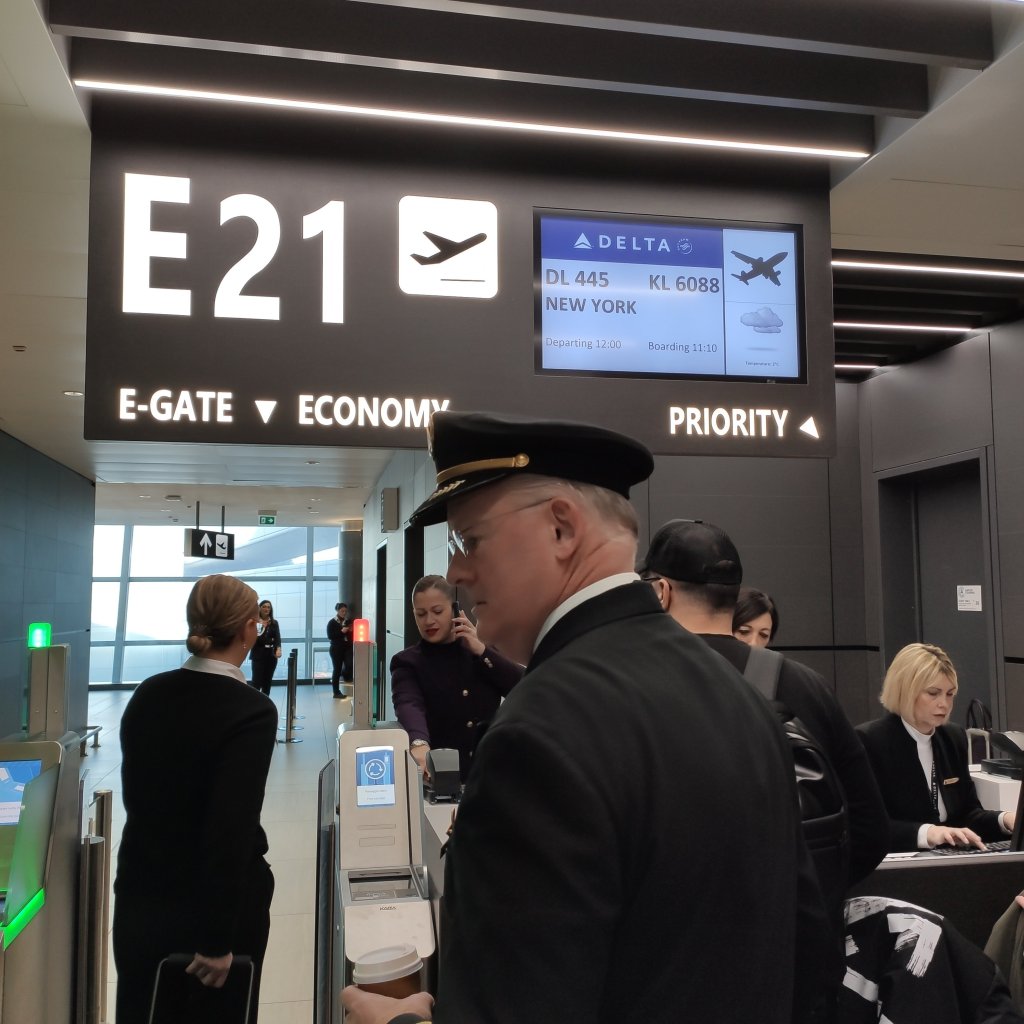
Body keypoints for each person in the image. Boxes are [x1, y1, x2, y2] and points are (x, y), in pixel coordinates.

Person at [342, 411, 805, 1024]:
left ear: (561, 528)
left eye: (469, 541)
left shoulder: (537, 735)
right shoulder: (738, 694)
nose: (456, 573)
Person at [638, 519, 890, 1021]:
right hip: (798, 970)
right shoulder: (807, 687)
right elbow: (870, 831)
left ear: (660, 591)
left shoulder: (632, 684)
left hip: (674, 976)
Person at [113, 574, 277, 1024]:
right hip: (209, 914)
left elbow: (140, 800)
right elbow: (230, 827)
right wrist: (217, 938)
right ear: (248, 629)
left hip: (141, 899)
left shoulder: (148, 693)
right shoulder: (251, 710)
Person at [857, 642, 1015, 852]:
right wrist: (928, 833)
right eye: (933, 693)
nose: (944, 704)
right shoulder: (870, 741)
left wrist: (1006, 820)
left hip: (949, 858)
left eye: (950, 694)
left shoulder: (953, 738)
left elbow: (968, 816)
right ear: (905, 691)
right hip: (900, 862)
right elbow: (865, 827)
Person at [391, 575, 522, 778]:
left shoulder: (483, 653)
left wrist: (482, 650)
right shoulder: (408, 662)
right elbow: (408, 703)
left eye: (437, 611)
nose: (429, 621)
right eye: (421, 614)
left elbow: (524, 687)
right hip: (440, 774)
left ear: (455, 609)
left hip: (489, 771)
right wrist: (419, 742)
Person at [250, 599, 282, 696]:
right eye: (264, 607)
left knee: (267, 682)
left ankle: (265, 702)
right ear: (259, 608)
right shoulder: (255, 622)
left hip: (271, 655)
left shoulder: (274, 623)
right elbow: (257, 639)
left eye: (268, 607)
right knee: (256, 681)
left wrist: (278, 648)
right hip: (258, 654)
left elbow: (277, 638)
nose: (266, 609)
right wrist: (270, 639)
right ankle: (255, 703)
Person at [328, 601, 353, 698]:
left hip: (347, 648)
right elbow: (330, 636)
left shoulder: (348, 621)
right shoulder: (332, 622)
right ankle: (336, 692)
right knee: (337, 670)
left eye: (345, 611)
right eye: (342, 611)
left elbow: (351, 636)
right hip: (336, 649)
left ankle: (345, 676)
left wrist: (350, 631)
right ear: (337, 611)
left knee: (349, 664)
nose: (344, 613)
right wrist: (341, 632)